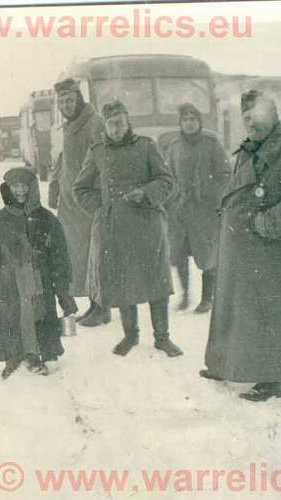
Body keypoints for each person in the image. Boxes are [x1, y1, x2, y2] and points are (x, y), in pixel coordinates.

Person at [202, 90, 281, 401]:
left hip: (271, 252)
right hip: (242, 249)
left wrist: (264, 223)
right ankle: (227, 364)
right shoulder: (251, 148)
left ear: (272, 116)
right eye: (246, 118)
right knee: (235, 310)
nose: (251, 123)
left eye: (256, 116)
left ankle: (271, 381)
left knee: (267, 315)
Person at [74, 100, 183, 357]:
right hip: (115, 228)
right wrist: (103, 208)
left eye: (119, 123)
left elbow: (167, 181)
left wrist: (145, 193)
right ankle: (130, 336)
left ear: (127, 122)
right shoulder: (97, 151)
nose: (115, 128)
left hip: (148, 226)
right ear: (105, 125)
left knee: (156, 280)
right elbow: (80, 189)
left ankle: (162, 337)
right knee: (123, 281)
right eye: (110, 124)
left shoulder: (147, 147)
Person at [0, 167, 77, 379]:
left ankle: (34, 355)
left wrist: (63, 288)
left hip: (39, 280)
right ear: (8, 188)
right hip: (9, 281)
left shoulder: (46, 219)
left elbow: (60, 255)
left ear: (32, 187)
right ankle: (12, 357)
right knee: (9, 317)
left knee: (37, 315)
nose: (19, 190)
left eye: (24, 185)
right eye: (14, 186)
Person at [54, 78, 110, 327]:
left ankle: (103, 307)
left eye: (70, 99)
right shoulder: (70, 125)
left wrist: (97, 196)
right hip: (70, 204)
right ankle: (94, 305)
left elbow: (103, 162)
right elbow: (65, 158)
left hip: (87, 202)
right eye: (62, 101)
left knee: (95, 253)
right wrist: (56, 184)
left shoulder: (94, 123)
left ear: (79, 99)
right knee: (79, 255)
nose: (66, 105)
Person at [166, 103, 231, 313]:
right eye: (185, 120)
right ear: (180, 123)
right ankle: (185, 295)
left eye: (193, 119)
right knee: (179, 253)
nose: (189, 123)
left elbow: (224, 173)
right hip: (181, 209)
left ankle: (207, 299)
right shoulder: (175, 144)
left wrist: (209, 192)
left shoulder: (211, 143)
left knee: (207, 254)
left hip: (205, 209)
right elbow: (168, 175)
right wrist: (171, 197)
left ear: (199, 122)